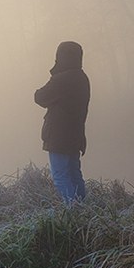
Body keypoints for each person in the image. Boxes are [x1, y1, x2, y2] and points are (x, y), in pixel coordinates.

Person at [34, 41, 90, 204]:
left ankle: (73, 214)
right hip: (76, 135)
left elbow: (40, 97)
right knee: (74, 174)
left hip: (59, 137)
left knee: (61, 177)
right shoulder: (82, 78)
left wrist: (55, 75)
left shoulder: (61, 79)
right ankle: (82, 210)